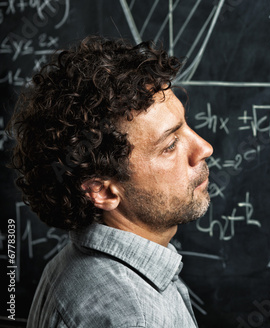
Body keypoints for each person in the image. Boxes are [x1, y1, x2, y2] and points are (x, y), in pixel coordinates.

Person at [8, 35, 213, 327]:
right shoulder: (129, 317)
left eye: (187, 126)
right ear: (102, 191)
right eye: (169, 145)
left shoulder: (78, 265)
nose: (204, 148)